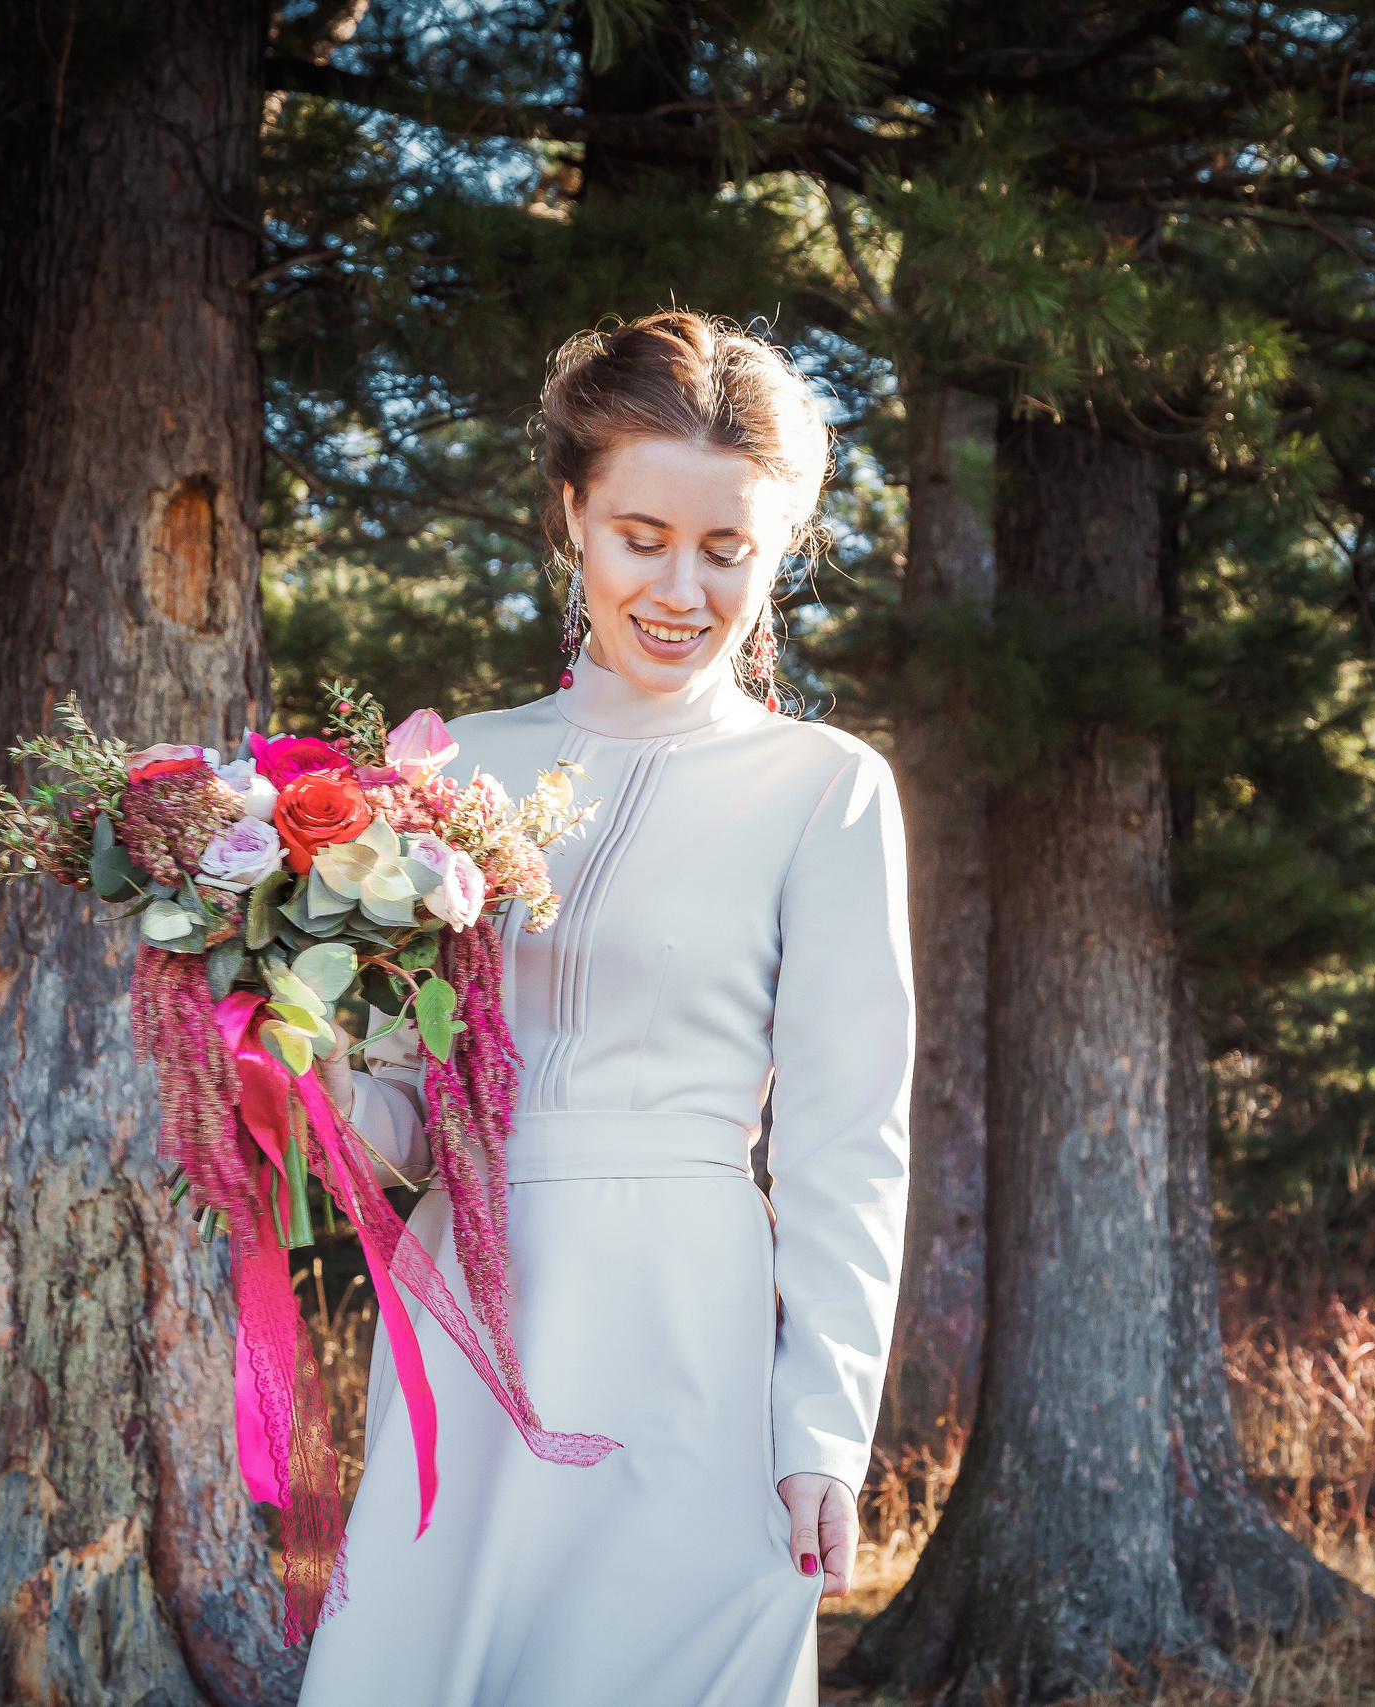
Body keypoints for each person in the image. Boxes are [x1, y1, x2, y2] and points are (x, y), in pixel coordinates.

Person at [296, 312, 915, 1707]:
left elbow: (847, 1140)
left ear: (779, 553)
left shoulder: (825, 787)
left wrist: (824, 1429)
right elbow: (406, 1114)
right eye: (643, 535)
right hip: (469, 1313)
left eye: (727, 550)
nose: (682, 588)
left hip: (694, 1336)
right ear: (574, 513)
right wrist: (299, 1050)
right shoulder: (449, 770)